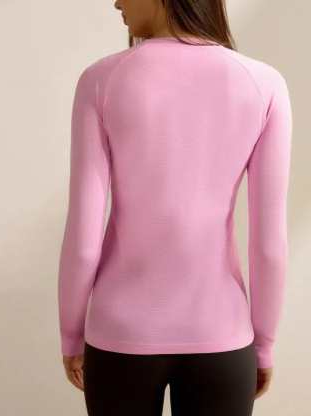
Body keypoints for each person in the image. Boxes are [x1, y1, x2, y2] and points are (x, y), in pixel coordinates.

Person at [57, 0, 293, 414]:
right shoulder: (264, 83)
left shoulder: (101, 80)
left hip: (120, 338)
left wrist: (72, 336)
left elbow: (83, 242)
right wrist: (264, 345)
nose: (116, 2)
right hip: (222, 337)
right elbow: (269, 246)